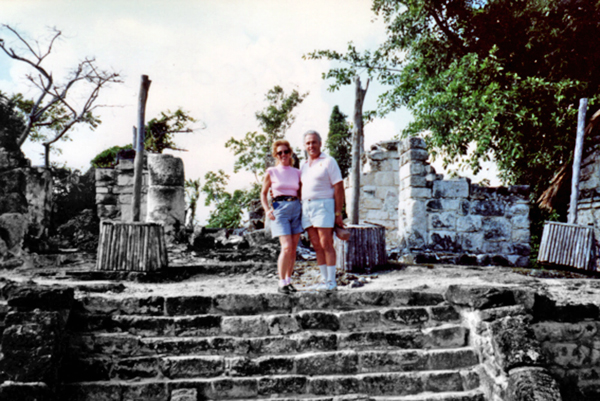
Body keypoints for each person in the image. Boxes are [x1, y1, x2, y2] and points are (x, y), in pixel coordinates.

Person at [300, 130, 344, 291]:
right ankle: (325, 280)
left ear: (320, 143)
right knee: (316, 245)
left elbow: (338, 187)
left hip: (324, 205)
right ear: (304, 146)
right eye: (308, 143)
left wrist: (338, 213)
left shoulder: (328, 161)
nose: (311, 146)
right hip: (307, 207)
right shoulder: (304, 165)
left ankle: (332, 281)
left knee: (326, 243)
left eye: (314, 142)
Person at [260, 139, 303, 295]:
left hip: (296, 208)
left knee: (293, 250)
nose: (283, 155)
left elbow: (301, 192)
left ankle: (288, 281)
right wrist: (267, 210)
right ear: (275, 155)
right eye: (280, 153)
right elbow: (263, 194)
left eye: (286, 151)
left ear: (290, 153)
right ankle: (281, 282)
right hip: (279, 209)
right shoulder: (272, 172)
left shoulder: (297, 172)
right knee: (286, 247)